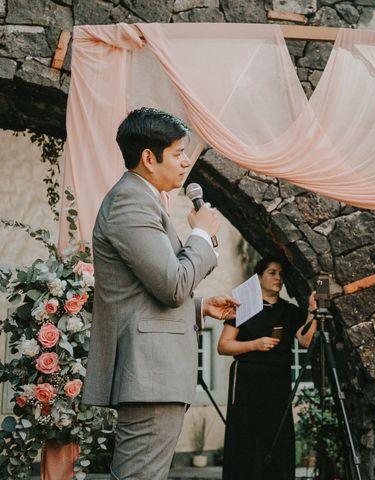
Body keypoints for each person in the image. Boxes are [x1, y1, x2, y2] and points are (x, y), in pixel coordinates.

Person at [83, 107, 240, 480]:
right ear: (149, 158)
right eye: (177, 153)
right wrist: (200, 234)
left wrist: (199, 308)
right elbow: (171, 286)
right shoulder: (129, 203)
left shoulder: (143, 199)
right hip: (149, 376)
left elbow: (147, 292)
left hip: (155, 376)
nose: (186, 162)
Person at [218, 258, 317, 480]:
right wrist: (254, 344)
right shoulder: (242, 305)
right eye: (272, 273)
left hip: (278, 382)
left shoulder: (289, 311)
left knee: (277, 437)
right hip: (248, 382)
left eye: (281, 274)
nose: (278, 278)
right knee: (247, 439)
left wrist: (312, 311)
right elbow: (223, 345)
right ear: (259, 277)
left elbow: (306, 340)